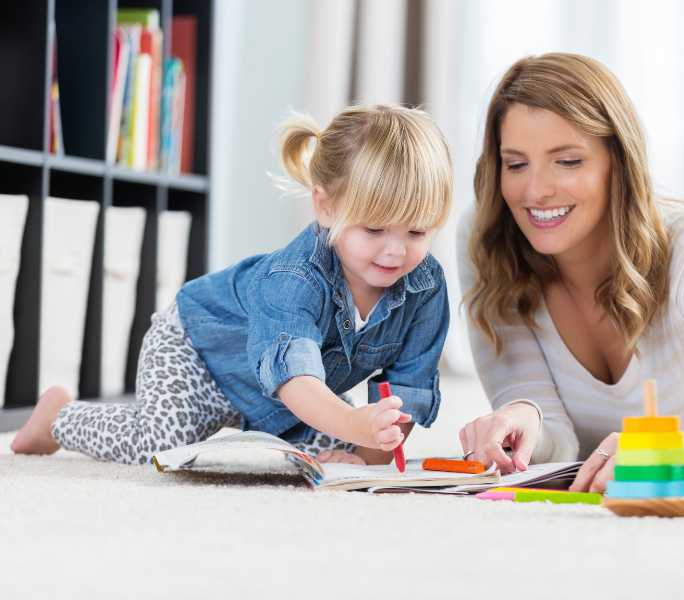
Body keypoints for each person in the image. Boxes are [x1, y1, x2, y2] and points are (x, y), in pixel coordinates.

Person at [12, 104, 453, 466]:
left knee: (318, 458)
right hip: (199, 352)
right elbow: (295, 379)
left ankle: (281, 434)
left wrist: (364, 454)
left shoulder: (425, 287)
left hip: (284, 402)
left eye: (417, 232)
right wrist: (355, 426)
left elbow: (407, 389)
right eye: (374, 229)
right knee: (160, 448)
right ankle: (58, 418)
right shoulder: (293, 279)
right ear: (325, 206)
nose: (396, 252)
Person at [456, 52, 684, 490]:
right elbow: (559, 441)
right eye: (516, 164)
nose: (536, 191)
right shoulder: (489, 238)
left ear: (617, 162)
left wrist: (657, 455)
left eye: (568, 161)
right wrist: (521, 418)